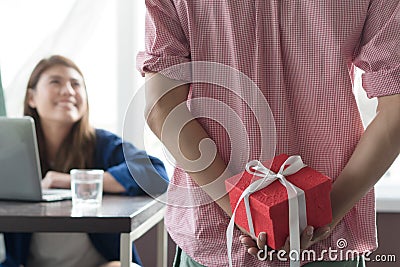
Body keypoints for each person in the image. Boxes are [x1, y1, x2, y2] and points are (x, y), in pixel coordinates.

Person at [137, 1, 400, 266]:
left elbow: (162, 107)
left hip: (219, 237)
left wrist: (244, 213)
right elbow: (396, 113)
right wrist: (322, 215)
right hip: (326, 243)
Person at [2, 55, 169, 267]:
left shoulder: (100, 144)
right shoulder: (13, 153)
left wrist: (73, 181)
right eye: (55, 82)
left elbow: (156, 173)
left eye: (76, 84)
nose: (69, 91)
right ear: (31, 98)